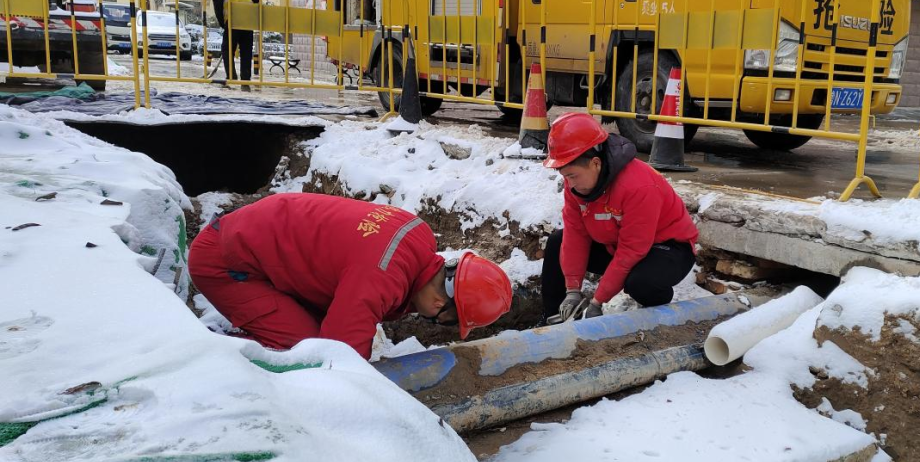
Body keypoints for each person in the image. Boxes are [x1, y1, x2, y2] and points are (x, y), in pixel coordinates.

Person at [187, 193, 513, 359]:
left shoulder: (417, 235)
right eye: (444, 321)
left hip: (252, 243)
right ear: (440, 301)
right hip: (225, 264)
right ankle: (214, 358)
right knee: (306, 350)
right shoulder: (381, 276)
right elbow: (338, 358)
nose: (434, 322)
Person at [541, 113, 698, 323]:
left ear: (595, 163)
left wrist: (598, 301)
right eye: (565, 177)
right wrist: (572, 290)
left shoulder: (638, 187)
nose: (569, 185)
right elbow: (575, 236)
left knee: (641, 283)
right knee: (556, 243)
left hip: (666, 248)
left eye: (572, 176)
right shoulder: (577, 186)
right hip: (614, 244)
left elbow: (631, 249)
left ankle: (657, 308)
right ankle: (553, 320)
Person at [207, 0, 261, 89]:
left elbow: (219, 14)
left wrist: (224, 25)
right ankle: (245, 81)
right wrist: (250, 7)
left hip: (232, 24)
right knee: (246, 51)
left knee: (227, 50)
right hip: (248, 22)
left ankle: (232, 77)